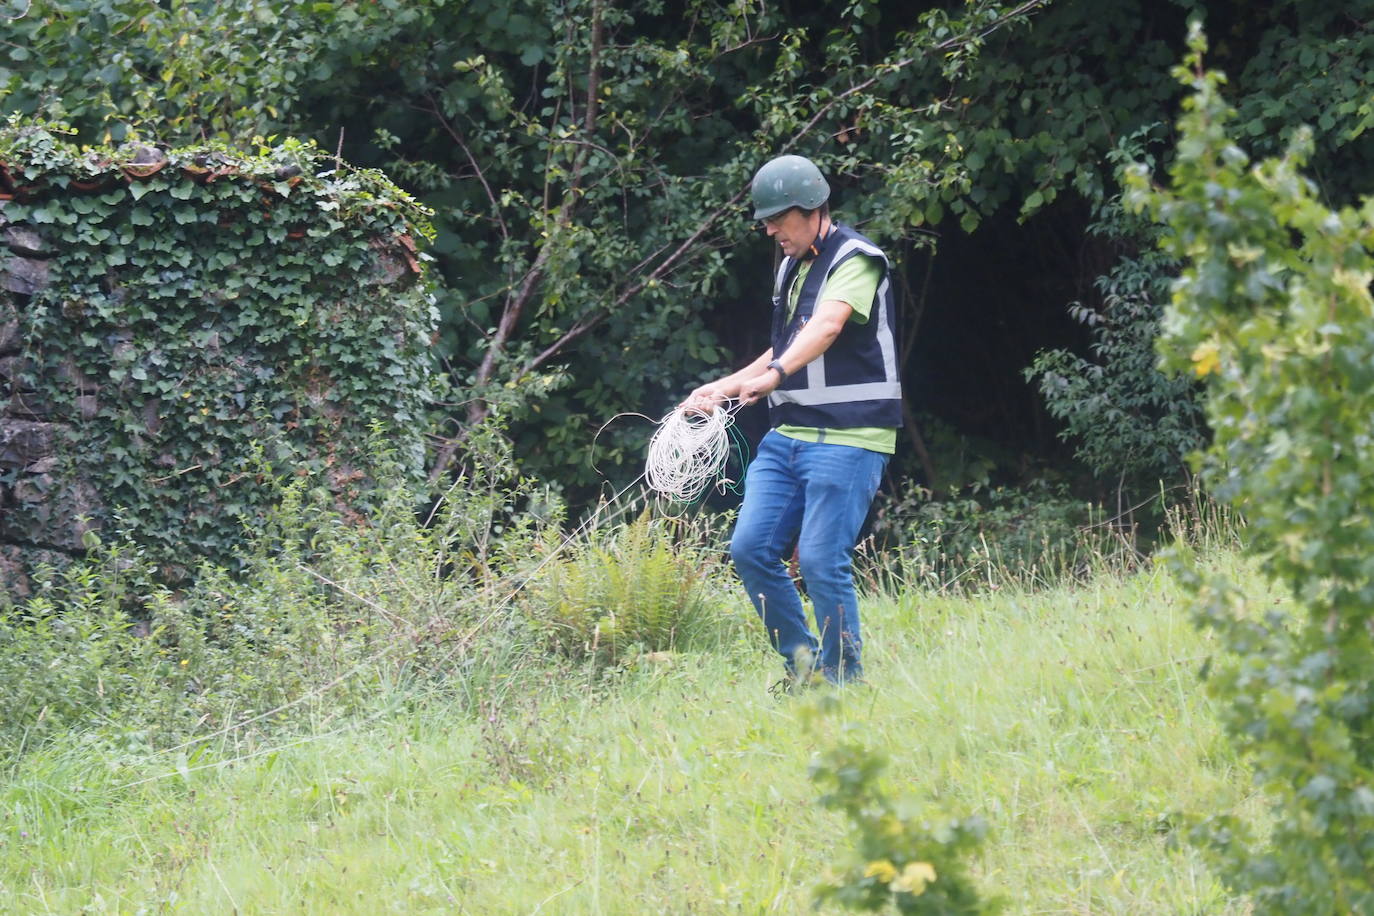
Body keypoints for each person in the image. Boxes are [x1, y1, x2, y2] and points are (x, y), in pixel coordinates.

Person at [683, 154, 901, 687]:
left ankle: (843, 684)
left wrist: (777, 374)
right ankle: (804, 671)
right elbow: (782, 348)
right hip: (788, 437)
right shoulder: (790, 265)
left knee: (823, 561)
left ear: (813, 208)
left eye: (779, 218)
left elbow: (826, 327)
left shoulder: (858, 259)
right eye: (765, 220)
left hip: (850, 438)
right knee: (749, 549)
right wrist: (724, 386)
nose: (770, 229)